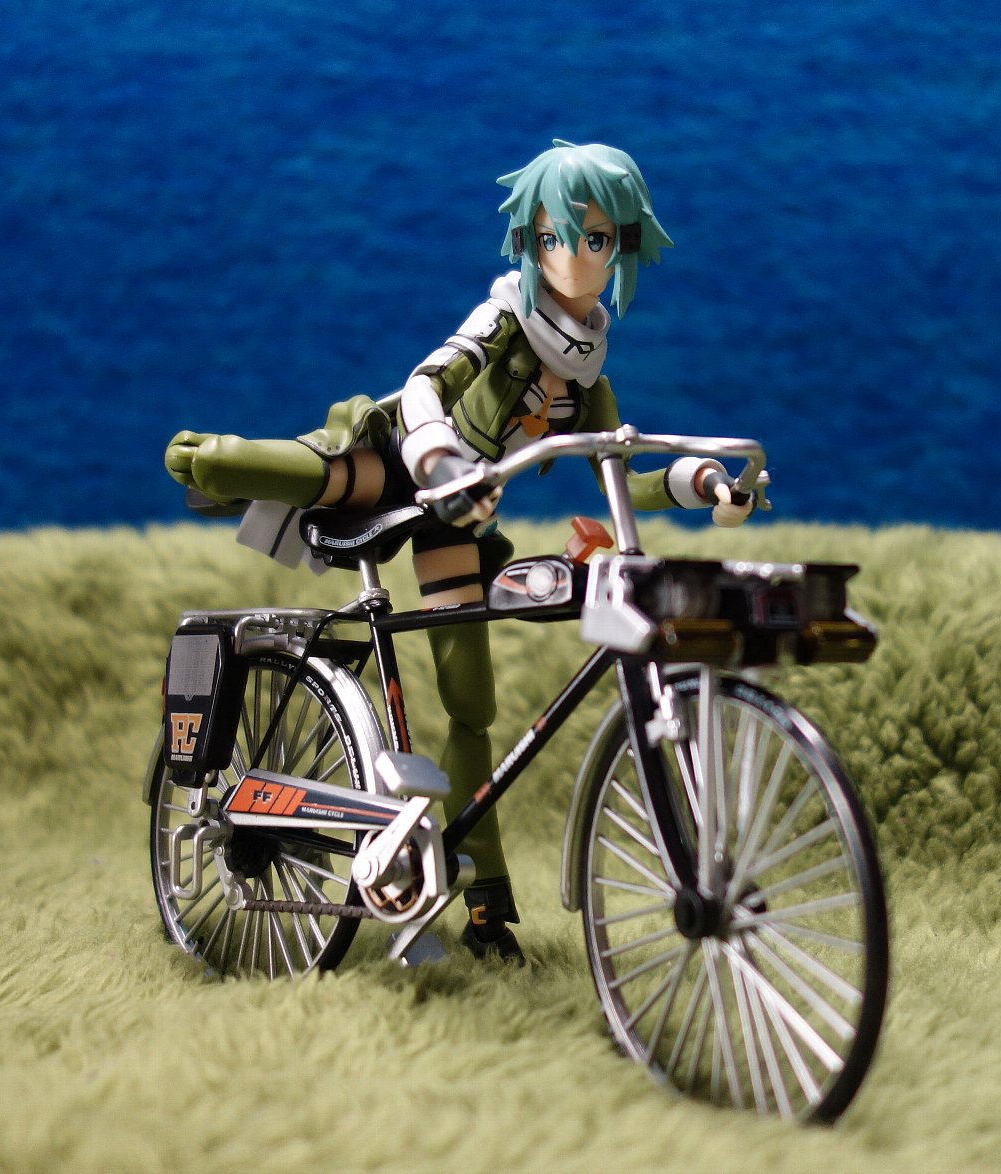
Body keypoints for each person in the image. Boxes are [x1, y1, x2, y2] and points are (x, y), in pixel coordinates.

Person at [165, 140, 754, 961]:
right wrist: (442, 462)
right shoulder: (503, 320)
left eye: (595, 239)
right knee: (337, 474)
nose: (573, 256)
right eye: (553, 238)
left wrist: (707, 483)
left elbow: (621, 470)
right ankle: (216, 458)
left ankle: (482, 902)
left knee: (469, 705)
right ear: (530, 242)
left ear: (622, 244)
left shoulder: (587, 374)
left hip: (457, 523)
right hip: (409, 466)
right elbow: (423, 385)